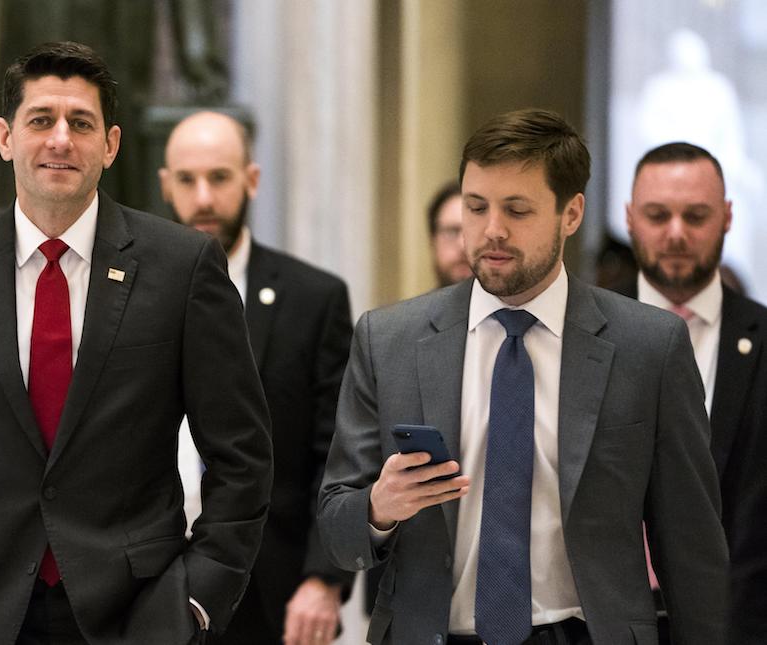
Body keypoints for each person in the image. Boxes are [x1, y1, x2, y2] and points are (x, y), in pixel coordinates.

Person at [0, 42, 272, 645]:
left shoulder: (183, 267)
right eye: (41, 120)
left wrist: (198, 601)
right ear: (4, 137)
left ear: (111, 144)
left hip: (139, 615)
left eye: (81, 123)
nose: (60, 140)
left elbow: (244, 458)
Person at [319, 108, 728, 645]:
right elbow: (336, 524)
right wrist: (379, 507)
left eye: (517, 209)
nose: (492, 230)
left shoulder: (647, 347)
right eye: (476, 207)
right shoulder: (388, 339)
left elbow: (691, 547)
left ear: (571, 213)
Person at [160, 111, 354, 645]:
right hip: (146, 584)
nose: (203, 197)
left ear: (251, 179)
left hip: (272, 589)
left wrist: (324, 577)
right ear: (165, 184)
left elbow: (337, 452)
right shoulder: (125, 292)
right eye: (187, 179)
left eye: (219, 177)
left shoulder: (314, 300)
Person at [619, 142, 767, 644]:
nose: (676, 233)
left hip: (740, 623)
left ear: (727, 217)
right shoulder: (570, 337)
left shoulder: (763, 340)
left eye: (696, 215)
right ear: (629, 218)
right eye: (658, 215)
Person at [363, 180, 472, 615]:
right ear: (430, 242)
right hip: (415, 603)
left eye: (474, 226)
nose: (465, 245)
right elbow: (343, 495)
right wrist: (378, 509)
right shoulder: (389, 344)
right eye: (450, 231)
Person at [428, 181, 474, 287]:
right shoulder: (415, 304)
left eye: (472, 232)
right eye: (451, 232)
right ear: (433, 241)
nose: (462, 245)